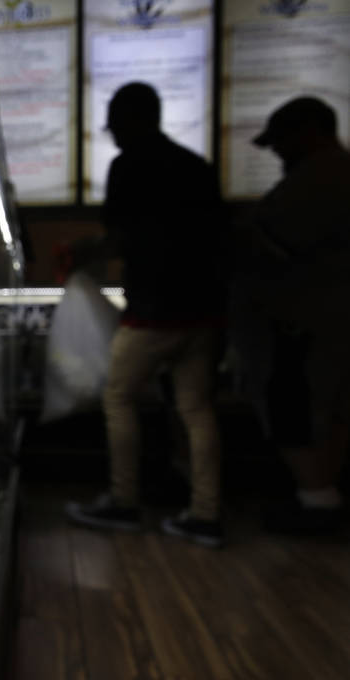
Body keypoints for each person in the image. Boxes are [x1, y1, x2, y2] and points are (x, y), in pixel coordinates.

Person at [65, 82, 227, 547]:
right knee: (196, 408)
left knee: (118, 397)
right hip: (203, 308)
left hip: (153, 308)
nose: (113, 134)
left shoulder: (129, 165)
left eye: (115, 125)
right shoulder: (195, 166)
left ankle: (124, 502)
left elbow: (119, 237)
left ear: (132, 120)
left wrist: (83, 254)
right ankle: (206, 513)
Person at [235, 96, 350, 533]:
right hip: (322, 323)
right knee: (326, 409)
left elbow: (264, 243)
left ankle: (318, 502)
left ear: (310, 133)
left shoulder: (320, 179)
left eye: (281, 140)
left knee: (299, 411)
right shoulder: (333, 172)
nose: (277, 151)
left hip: (303, 326)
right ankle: (321, 496)